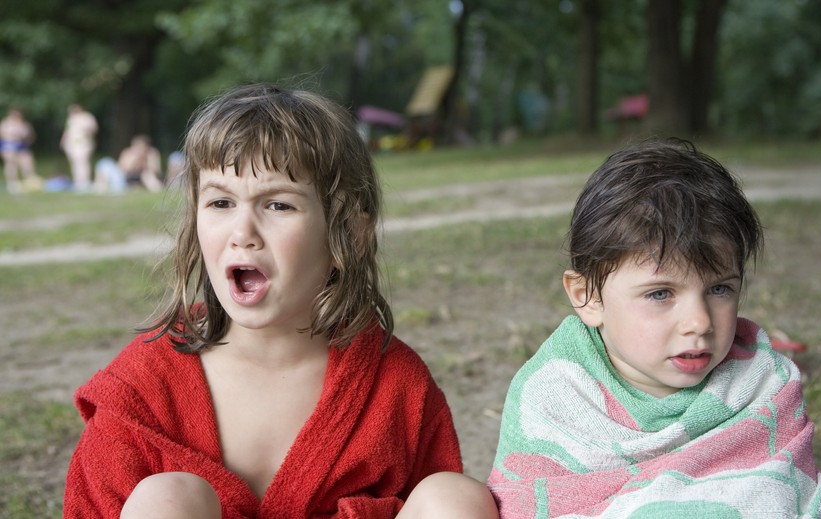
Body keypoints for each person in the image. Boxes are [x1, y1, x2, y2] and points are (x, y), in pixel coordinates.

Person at [63, 84, 498, 518]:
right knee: (168, 497)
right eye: (220, 202)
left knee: (454, 497)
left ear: (349, 233)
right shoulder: (146, 384)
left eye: (277, 205)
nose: (242, 232)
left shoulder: (394, 386)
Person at [487, 140, 821, 518]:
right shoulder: (554, 392)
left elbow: (773, 494)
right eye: (660, 294)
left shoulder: (762, 382)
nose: (699, 322)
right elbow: (530, 504)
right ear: (588, 297)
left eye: (719, 289)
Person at [0, 107, 42, 194]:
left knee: (27, 163)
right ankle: (12, 183)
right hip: (9, 146)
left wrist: (26, 139)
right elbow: (2, 134)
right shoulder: (5, 123)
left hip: (22, 146)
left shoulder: (24, 124)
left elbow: (31, 136)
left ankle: (29, 181)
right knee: (11, 164)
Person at [60, 104, 99, 192]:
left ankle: (85, 182)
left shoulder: (87, 117)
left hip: (83, 143)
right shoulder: (71, 119)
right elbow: (67, 131)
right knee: (75, 163)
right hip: (71, 144)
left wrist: (87, 131)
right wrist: (63, 141)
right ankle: (78, 182)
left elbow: (93, 129)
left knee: (82, 162)